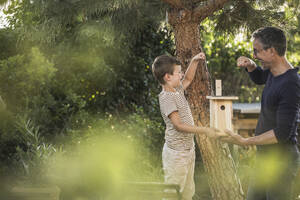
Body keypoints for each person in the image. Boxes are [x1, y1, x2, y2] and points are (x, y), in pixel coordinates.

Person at [222, 27, 300, 200]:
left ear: (271, 51)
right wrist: (251, 65)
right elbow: (259, 78)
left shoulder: (290, 84)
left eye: (256, 51)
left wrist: (246, 141)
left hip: (281, 163)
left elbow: (282, 133)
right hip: (264, 158)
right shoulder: (273, 72)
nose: (254, 55)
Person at [152, 53, 225, 200]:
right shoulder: (166, 97)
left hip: (187, 150)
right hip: (176, 155)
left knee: (188, 192)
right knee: (173, 193)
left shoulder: (177, 89)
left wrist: (194, 60)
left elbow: (189, 79)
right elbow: (178, 125)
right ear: (168, 77)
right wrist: (204, 130)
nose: (182, 74)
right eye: (179, 72)